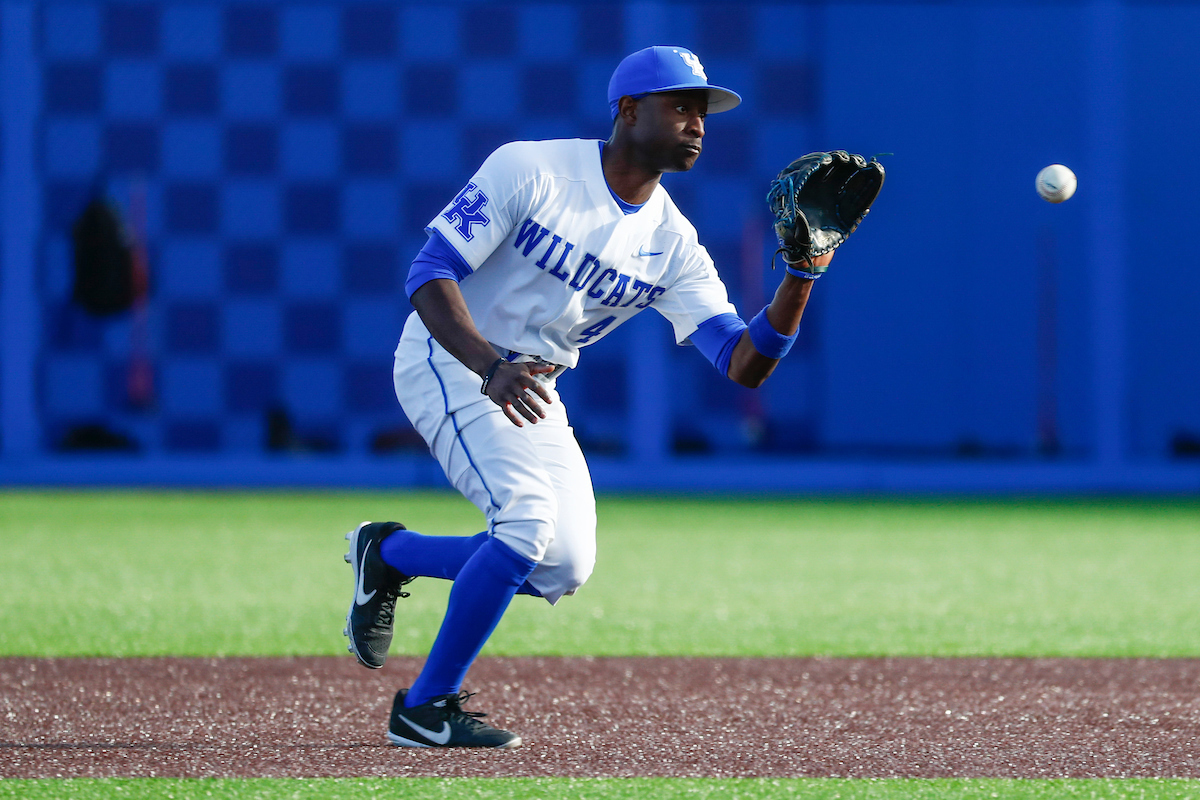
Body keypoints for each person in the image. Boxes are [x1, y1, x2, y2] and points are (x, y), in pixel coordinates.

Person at [343, 45, 835, 749]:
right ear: (629, 111)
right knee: (524, 525)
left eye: (704, 111)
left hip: (533, 385)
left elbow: (743, 362)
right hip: (450, 358)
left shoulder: (673, 244)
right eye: (682, 106)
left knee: (562, 563)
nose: (698, 123)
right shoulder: (532, 169)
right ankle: (426, 706)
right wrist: (487, 366)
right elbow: (429, 274)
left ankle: (391, 555)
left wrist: (801, 276)